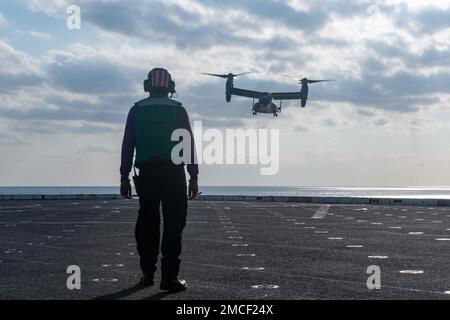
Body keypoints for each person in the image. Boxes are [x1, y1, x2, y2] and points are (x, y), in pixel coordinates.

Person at [120, 68, 198, 292]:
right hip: (173, 173)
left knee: (147, 223)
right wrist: (194, 176)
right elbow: (188, 144)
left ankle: (147, 274)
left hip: (146, 173)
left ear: (147, 86)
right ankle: (170, 278)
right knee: (174, 224)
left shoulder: (136, 110)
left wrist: (124, 176)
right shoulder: (178, 110)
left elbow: (128, 145)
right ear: (170, 88)